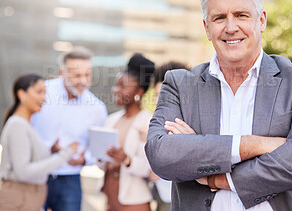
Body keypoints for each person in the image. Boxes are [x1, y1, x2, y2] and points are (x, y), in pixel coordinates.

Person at [145, 0, 292, 211]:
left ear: (261, 20)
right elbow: (161, 155)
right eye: (219, 18)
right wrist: (255, 146)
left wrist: (217, 177)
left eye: (241, 15)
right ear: (206, 28)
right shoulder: (179, 84)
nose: (231, 27)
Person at [31, 47, 108, 211]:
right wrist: (49, 148)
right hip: (37, 174)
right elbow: (26, 129)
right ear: (62, 72)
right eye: (76, 75)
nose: (83, 81)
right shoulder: (41, 93)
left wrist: (84, 159)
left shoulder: (97, 108)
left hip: (70, 180)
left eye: (87, 75)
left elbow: (99, 149)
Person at [0, 74, 79, 211]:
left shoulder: (26, 125)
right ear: (21, 94)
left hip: (27, 200)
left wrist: (51, 151)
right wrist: (65, 154)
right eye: (39, 92)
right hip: (18, 201)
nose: (43, 98)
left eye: (45, 93)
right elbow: (23, 172)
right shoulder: (17, 125)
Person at [101, 53, 155, 211]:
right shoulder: (112, 120)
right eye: (116, 85)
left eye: (123, 86)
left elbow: (151, 169)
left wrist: (126, 159)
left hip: (134, 203)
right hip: (110, 200)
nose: (116, 90)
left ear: (138, 91)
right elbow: (100, 162)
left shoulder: (148, 121)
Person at [152, 61, 188, 211]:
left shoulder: (192, 127)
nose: (157, 101)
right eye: (156, 95)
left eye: (163, 96)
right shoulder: (156, 125)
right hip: (161, 197)